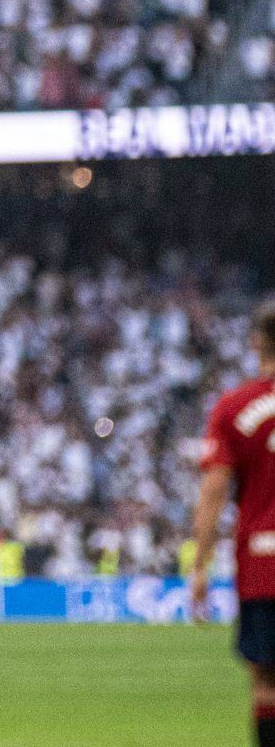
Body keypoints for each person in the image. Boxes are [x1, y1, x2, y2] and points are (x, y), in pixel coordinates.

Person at [190, 299, 275, 747]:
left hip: (263, 563)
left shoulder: (233, 407)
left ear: (256, 340)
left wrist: (200, 565)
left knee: (265, 680)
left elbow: (213, 492)